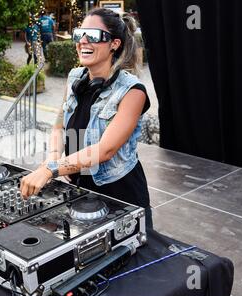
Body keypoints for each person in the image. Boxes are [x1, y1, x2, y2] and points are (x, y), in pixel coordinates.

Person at [20, 8, 153, 229]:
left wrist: (50, 170)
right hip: (81, 189)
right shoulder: (75, 77)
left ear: (114, 44)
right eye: (79, 34)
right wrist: (52, 159)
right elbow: (59, 126)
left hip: (121, 195)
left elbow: (105, 150)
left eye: (93, 36)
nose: (82, 41)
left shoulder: (133, 91)